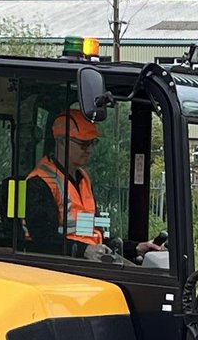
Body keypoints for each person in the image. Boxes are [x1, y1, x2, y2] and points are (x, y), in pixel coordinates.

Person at [26, 109, 165, 262]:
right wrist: (84, 251)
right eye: (84, 144)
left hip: (86, 263)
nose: (90, 150)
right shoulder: (39, 182)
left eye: (93, 143)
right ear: (61, 142)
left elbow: (93, 236)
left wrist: (135, 247)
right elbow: (43, 240)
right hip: (62, 268)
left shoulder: (83, 179)